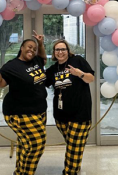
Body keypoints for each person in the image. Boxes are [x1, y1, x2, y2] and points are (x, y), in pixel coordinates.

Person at [0, 31, 47, 175]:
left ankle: (19, 171)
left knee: (25, 144)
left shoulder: (36, 61)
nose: (31, 50)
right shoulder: (12, 66)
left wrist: (40, 44)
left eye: (34, 48)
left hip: (39, 111)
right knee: (37, 144)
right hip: (19, 112)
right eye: (29, 47)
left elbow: (43, 58)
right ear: (21, 48)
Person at [45, 39, 95, 175]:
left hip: (80, 113)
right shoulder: (53, 69)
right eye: (57, 50)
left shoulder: (77, 61)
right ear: (54, 53)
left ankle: (70, 171)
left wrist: (80, 73)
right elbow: (41, 81)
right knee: (73, 145)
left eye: (63, 49)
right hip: (61, 115)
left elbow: (91, 78)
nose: (60, 52)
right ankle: (75, 168)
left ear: (68, 51)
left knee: (74, 146)